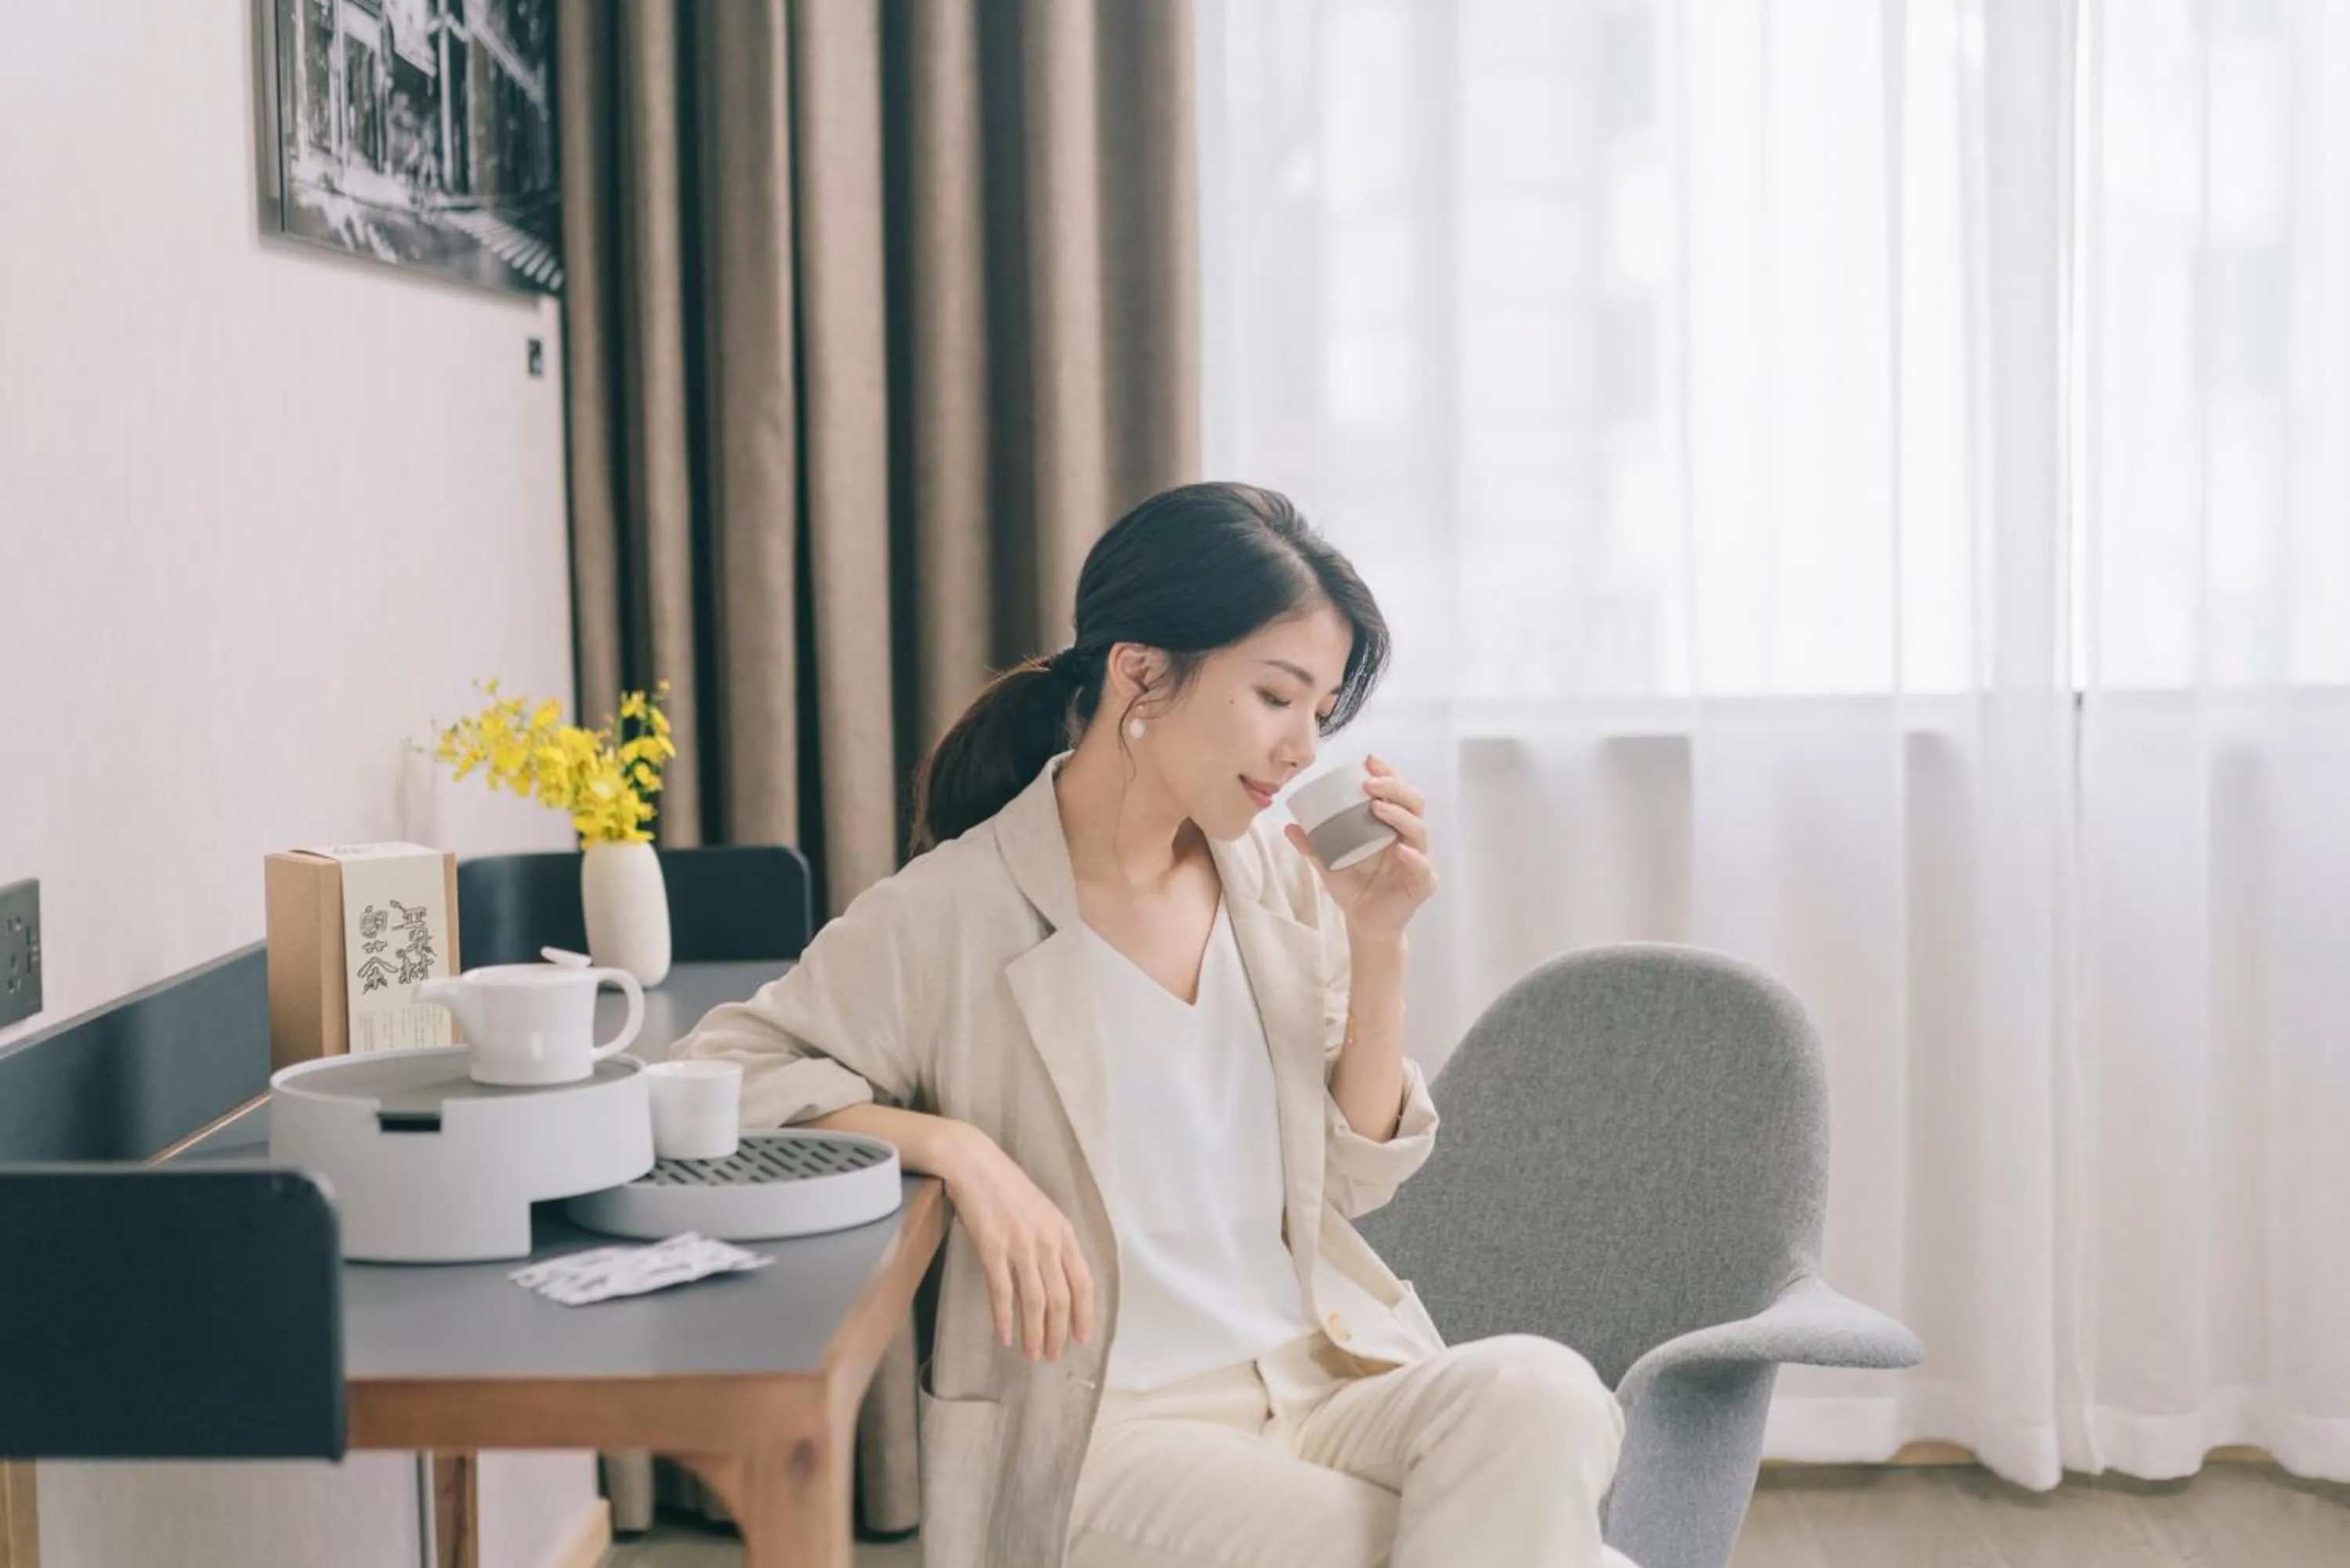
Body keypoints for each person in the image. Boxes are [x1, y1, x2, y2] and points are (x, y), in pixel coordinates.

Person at [674, 482, 1628, 1567]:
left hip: (1319, 1375)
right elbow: (722, 1072)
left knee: (1549, 1394)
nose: (1299, 749)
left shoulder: (1276, 878)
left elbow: (1356, 1178)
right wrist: (956, 1148)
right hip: (1112, 1426)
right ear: (1141, 670)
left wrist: (1380, 943)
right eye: (1277, 696)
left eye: (1319, 713)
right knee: (1442, 1544)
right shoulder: (953, 911)